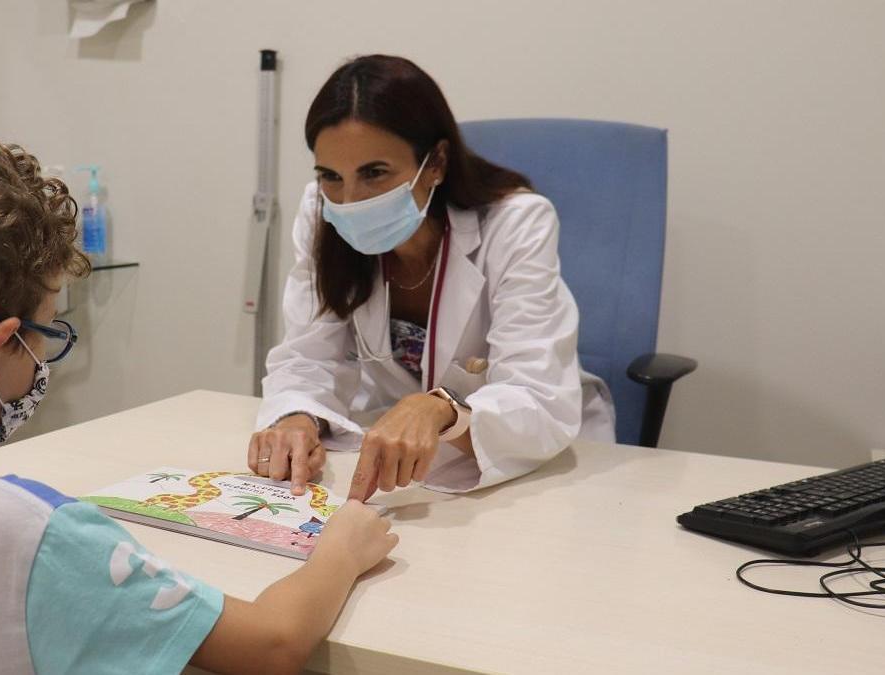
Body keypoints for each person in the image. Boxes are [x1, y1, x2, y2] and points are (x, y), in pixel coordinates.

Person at [0, 112, 397, 675]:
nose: (46, 354)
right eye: (47, 331)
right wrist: (342, 549)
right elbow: (273, 642)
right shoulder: (30, 536)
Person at [249, 55, 615, 501]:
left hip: (532, 461)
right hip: (400, 466)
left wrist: (443, 410)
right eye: (330, 176)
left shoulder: (515, 222)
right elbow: (308, 357)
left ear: (436, 162)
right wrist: (297, 417)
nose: (349, 200)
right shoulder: (323, 214)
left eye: (375, 173)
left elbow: (536, 394)